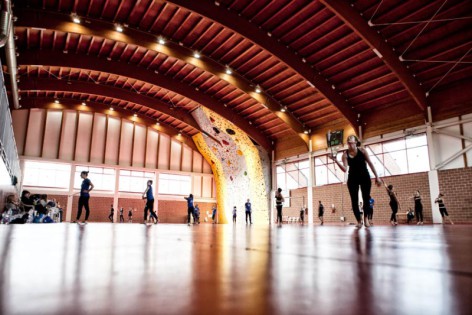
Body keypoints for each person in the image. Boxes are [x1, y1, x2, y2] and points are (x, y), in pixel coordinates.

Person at [330, 135, 382, 228]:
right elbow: (345, 169)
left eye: (351, 142)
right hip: (352, 178)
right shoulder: (345, 155)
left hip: (364, 176)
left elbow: (370, 163)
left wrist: (377, 177)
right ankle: (359, 221)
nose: (350, 143)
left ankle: (366, 219)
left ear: (355, 142)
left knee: (366, 199)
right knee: (354, 201)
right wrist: (335, 160)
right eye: (348, 142)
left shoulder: (362, 151)